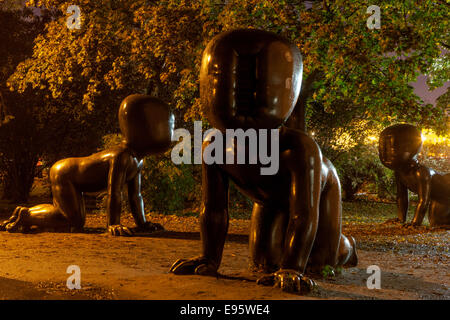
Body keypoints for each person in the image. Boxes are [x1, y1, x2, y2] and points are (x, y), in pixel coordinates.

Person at [170, 29, 357, 294]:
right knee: (264, 263)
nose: (243, 93)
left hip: (320, 194)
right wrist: (208, 259)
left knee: (319, 262)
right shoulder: (214, 145)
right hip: (267, 198)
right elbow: (214, 208)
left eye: (257, 83)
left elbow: (304, 213)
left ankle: (348, 247)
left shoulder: (299, 149)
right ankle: (284, 258)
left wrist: (293, 267)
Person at [0, 94, 174, 236]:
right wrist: (113, 224)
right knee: (72, 222)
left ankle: (25, 212)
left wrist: (142, 223)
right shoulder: (122, 156)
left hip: (71, 172)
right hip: (67, 173)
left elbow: (135, 196)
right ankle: (27, 215)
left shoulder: (137, 160)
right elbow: (115, 193)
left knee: (70, 218)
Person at [379, 124, 450, 228]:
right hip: (437, 197)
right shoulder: (399, 172)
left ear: (412, 149)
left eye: (392, 149)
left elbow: (423, 200)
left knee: (439, 223)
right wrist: (401, 219)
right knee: (437, 222)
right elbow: (401, 197)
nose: (385, 155)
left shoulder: (421, 173)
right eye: (381, 150)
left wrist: (415, 223)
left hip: (445, 196)